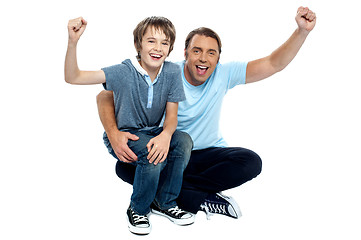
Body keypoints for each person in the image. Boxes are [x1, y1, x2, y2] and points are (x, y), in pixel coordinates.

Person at [96, 6, 316, 220]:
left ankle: (172, 194)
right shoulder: (167, 73)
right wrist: (114, 133)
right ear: (185, 53)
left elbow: (273, 63)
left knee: (250, 162)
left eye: (211, 53)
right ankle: (195, 198)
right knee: (124, 168)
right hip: (169, 155)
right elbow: (105, 95)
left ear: (218, 58)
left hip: (208, 155)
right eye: (197, 51)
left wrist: (302, 32)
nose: (203, 58)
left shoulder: (224, 74)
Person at [65, 16, 195, 235]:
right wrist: (72, 42)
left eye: (164, 43)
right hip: (127, 134)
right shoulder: (123, 71)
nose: (158, 48)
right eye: (151, 41)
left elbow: (172, 116)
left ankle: (165, 203)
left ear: (170, 48)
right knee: (151, 150)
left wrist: (165, 135)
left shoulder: (172, 72)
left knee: (184, 140)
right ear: (138, 44)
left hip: (153, 131)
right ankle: (138, 209)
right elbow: (73, 77)